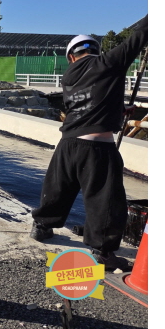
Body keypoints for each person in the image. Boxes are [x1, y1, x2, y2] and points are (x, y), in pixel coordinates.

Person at [30, 15, 148, 271]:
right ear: (95, 51)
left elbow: (85, 102)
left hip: (68, 143)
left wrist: (119, 109)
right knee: (105, 200)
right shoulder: (107, 63)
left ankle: (42, 226)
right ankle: (103, 252)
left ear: (71, 57)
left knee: (58, 190)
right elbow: (137, 38)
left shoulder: (68, 77)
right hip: (97, 147)